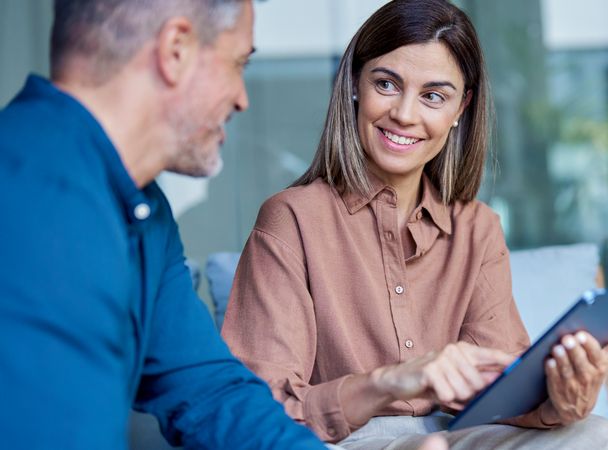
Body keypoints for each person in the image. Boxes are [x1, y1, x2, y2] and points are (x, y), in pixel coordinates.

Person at [221, 1, 608, 449]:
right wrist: (386, 383)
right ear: (355, 84)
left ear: (461, 107)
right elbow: (258, 412)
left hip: (455, 434)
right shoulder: (291, 219)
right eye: (386, 84)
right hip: (344, 441)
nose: (405, 114)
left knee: (599, 435)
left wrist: (561, 401)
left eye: (433, 96)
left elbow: (500, 394)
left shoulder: (477, 228)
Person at [0, 1, 356, 449]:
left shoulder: (144, 209)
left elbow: (209, 393)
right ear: (175, 50)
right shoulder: (27, 202)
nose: (242, 99)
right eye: (238, 64)